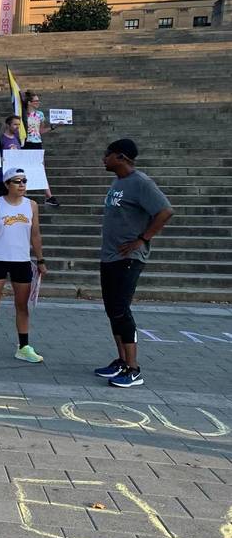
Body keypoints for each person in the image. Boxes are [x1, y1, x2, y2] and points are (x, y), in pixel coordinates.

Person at [94, 139, 173, 388]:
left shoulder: (141, 183)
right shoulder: (119, 181)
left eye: (107, 155)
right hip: (110, 255)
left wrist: (143, 238)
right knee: (112, 310)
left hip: (127, 258)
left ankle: (134, 368)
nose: (103, 159)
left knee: (121, 310)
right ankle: (121, 361)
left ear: (121, 157)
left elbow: (165, 211)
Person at [0, 170, 46, 363]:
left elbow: (35, 235)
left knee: (22, 306)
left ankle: (23, 347)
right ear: (7, 184)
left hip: (21, 260)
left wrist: (40, 260)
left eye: (25, 181)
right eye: (17, 181)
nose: (22, 184)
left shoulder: (32, 205)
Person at [23, 91, 60, 206]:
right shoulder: (22, 114)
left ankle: (49, 196)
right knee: (23, 169)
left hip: (37, 143)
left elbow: (40, 131)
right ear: (29, 102)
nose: (38, 103)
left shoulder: (40, 114)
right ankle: (22, 194)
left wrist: (52, 128)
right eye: (36, 101)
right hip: (24, 143)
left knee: (40, 169)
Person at [0, 116, 24, 199]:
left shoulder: (17, 138)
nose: (17, 127)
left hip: (16, 179)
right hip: (1, 179)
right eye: (15, 124)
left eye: (19, 124)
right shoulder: (0, 139)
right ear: (8, 125)